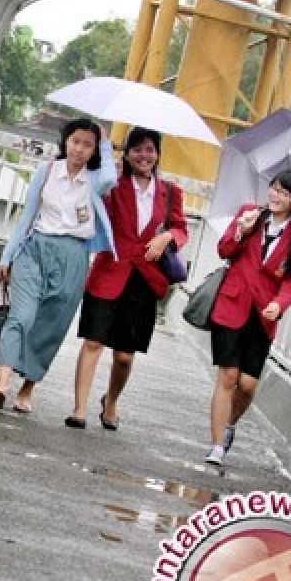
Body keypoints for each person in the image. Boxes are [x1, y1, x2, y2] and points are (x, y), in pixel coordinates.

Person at [0, 118, 117, 412]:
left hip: (74, 255)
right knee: (21, 315)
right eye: (75, 141)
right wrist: (7, 256)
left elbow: (111, 179)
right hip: (35, 248)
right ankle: (2, 383)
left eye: (88, 144)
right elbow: (27, 216)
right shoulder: (47, 171)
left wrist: (108, 144)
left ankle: (26, 390)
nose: (80, 149)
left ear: (95, 149)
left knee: (51, 325)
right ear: (65, 141)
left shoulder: (95, 179)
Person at [68, 127, 188, 429]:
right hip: (109, 272)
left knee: (124, 356)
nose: (143, 156)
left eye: (149, 149)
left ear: (158, 154)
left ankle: (111, 401)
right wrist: (105, 151)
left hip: (144, 279)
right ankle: (79, 409)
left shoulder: (171, 192)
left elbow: (181, 228)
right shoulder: (113, 185)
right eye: (136, 149)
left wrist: (168, 238)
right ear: (127, 153)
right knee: (93, 342)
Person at [205, 170, 291, 466]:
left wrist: (279, 305)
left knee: (248, 385)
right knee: (227, 377)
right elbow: (223, 249)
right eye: (274, 188)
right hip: (231, 305)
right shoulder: (250, 215)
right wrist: (241, 230)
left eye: (285, 193)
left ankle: (229, 424)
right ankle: (216, 447)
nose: (276, 196)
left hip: (264, 314)